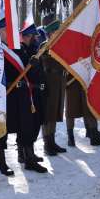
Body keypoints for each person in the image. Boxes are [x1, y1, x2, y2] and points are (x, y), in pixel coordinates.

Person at [13, 24, 48, 173]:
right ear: (27, 36)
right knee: (27, 126)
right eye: (33, 36)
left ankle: (28, 154)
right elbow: (21, 73)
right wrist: (31, 64)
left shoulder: (34, 49)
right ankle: (28, 158)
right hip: (25, 94)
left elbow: (39, 72)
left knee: (35, 124)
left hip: (36, 92)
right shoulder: (19, 51)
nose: (35, 38)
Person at [40, 16, 67, 156]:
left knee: (56, 112)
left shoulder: (61, 45)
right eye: (57, 30)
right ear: (50, 32)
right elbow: (41, 62)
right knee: (48, 113)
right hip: (49, 81)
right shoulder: (44, 45)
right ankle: (47, 144)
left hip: (60, 80)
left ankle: (52, 141)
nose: (59, 32)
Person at [0, 19, 15, 176]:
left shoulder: (9, 49)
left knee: (3, 129)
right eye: (7, 30)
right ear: (0, 31)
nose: (10, 34)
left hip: (6, 95)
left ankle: (1, 161)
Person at [65, 77, 100, 147]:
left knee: (89, 109)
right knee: (71, 111)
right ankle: (70, 138)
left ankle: (93, 136)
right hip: (71, 82)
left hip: (85, 82)